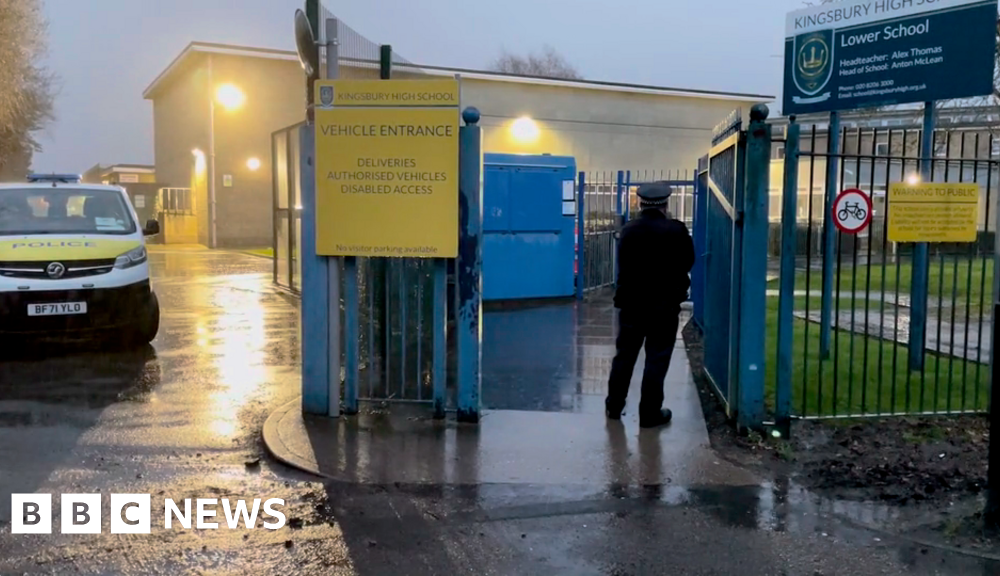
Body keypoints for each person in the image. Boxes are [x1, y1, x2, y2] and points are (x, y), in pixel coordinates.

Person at [605, 181, 695, 428]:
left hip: (632, 304)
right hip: (664, 305)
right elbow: (688, 261)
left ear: (640, 203)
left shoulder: (629, 230)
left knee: (624, 356)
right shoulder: (676, 231)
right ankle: (649, 413)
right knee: (657, 358)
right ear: (665, 204)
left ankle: (614, 405)